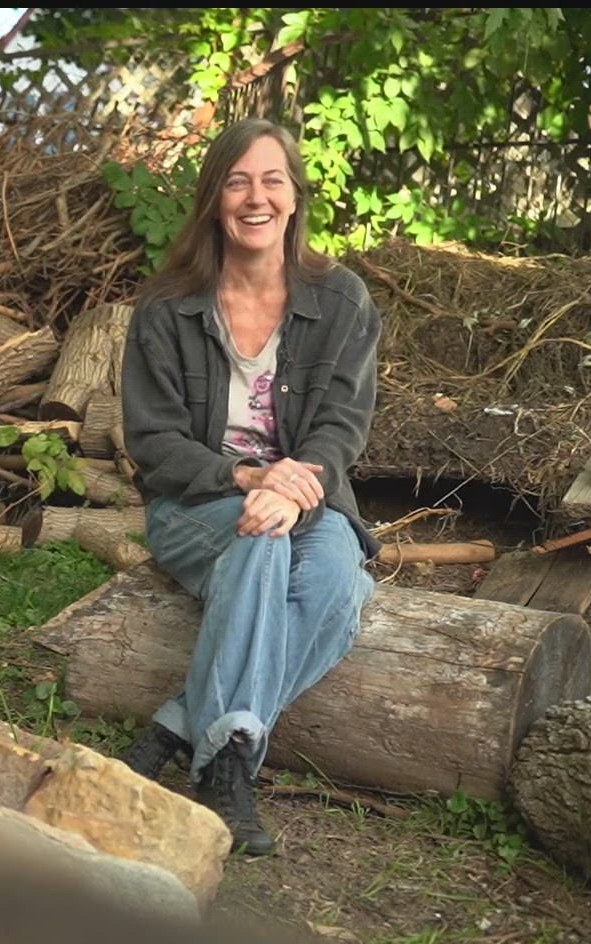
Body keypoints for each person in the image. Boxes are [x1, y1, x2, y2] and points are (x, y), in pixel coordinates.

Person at [115, 118, 383, 857]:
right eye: (237, 181)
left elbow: (340, 427)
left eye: (271, 180)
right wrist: (248, 477)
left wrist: (291, 489)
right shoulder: (167, 307)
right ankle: (229, 772)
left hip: (307, 497)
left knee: (337, 574)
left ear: (295, 196)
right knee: (262, 543)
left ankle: (188, 725)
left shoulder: (343, 301)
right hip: (196, 504)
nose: (255, 197)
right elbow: (155, 444)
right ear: (213, 200)